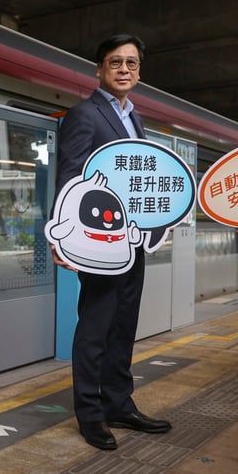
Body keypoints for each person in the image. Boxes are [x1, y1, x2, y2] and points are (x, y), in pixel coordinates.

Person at [52, 33, 172, 451]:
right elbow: (69, 174)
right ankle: (90, 413)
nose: (124, 70)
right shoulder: (85, 114)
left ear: (140, 70)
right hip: (100, 241)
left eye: (132, 64)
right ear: (100, 69)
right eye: (116, 63)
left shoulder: (133, 117)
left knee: (124, 324)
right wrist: (64, 233)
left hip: (132, 239)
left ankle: (119, 403)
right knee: (96, 326)